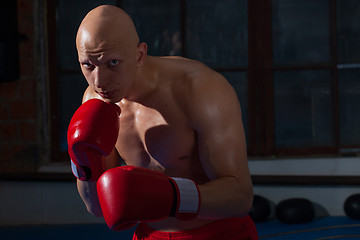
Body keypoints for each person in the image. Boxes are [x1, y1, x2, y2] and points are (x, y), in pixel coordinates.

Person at [67, 4, 258, 240]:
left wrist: (172, 197)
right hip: (150, 234)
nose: (99, 81)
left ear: (139, 55)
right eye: (88, 65)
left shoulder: (199, 89)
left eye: (112, 63)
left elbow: (241, 198)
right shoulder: (94, 101)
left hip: (219, 233)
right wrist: (83, 164)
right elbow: (96, 207)